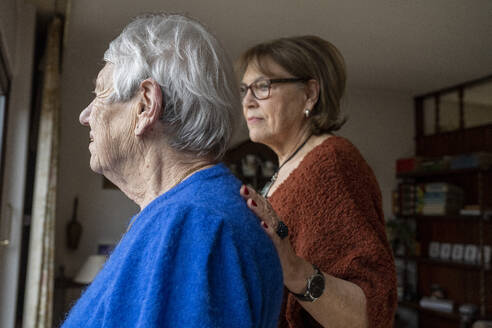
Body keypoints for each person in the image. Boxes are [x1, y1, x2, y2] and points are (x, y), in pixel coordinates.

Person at [62, 13, 283, 328]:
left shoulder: (194, 225)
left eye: (100, 94)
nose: (85, 115)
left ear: (146, 105)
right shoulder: (179, 216)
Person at [237, 36, 397, 327]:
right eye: (244, 89)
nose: (247, 101)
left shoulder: (332, 162)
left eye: (262, 86)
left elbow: (370, 312)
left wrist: (293, 269)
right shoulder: (282, 171)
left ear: (310, 93)